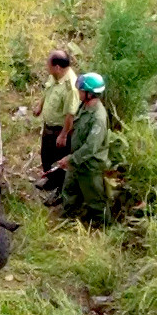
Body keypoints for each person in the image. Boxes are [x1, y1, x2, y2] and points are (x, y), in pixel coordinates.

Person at [53, 72, 109, 223]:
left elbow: (91, 146)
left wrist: (71, 159)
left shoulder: (98, 117)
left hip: (89, 165)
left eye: (81, 91)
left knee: (94, 200)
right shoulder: (83, 106)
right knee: (69, 191)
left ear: (90, 94)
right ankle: (67, 220)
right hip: (76, 160)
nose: (78, 93)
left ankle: (102, 228)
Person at [33, 50, 78, 194]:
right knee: (45, 155)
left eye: (49, 65)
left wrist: (64, 135)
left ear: (57, 67)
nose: (47, 67)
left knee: (58, 161)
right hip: (48, 127)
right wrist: (40, 105)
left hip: (59, 131)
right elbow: (48, 90)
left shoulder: (71, 87)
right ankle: (49, 180)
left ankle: (59, 189)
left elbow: (70, 114)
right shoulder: (55, 76)